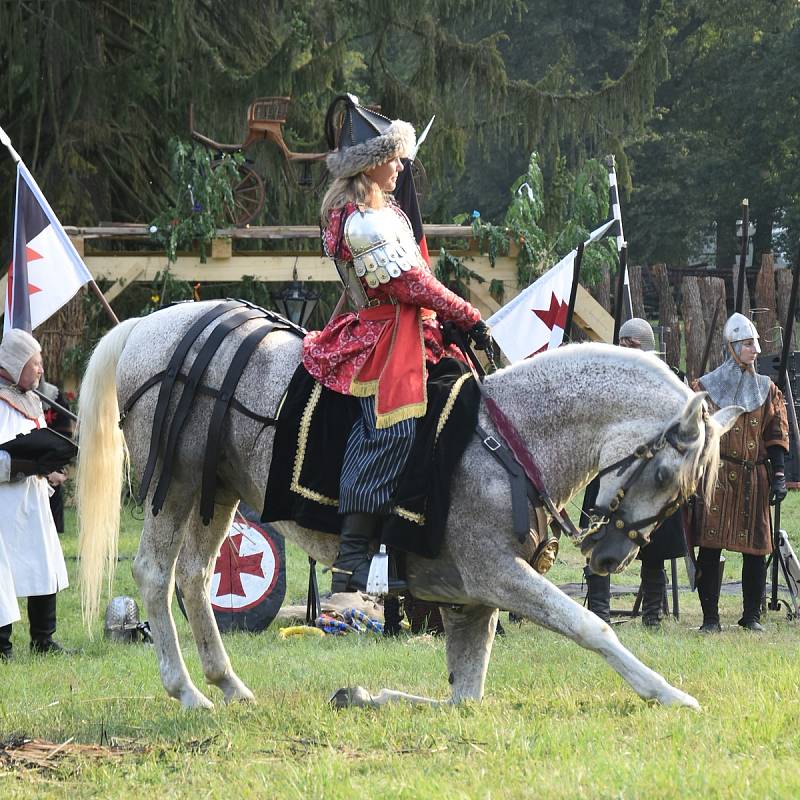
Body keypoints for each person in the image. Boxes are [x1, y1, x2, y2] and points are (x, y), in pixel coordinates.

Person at [303, 94, 491, 592]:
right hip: (384, 340)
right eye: (394, 159)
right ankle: (349, 573)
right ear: (370, 166)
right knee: (392, 432)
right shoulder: (363, 222)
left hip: (411, 329)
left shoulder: (384, 213)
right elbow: (412, 283)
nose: (402, 167)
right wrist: (468, 314)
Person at [582, 318, 687, 627]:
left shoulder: (670, 380)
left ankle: (652, 615)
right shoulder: (608, 381)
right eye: (622, 342)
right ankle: (599, 611)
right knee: (599, 536)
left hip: (652, 473)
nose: (624, 348)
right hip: (612, 467)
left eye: (631, 343)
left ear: (644, 345)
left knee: (652, 544)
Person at [691, 312, 788, 632]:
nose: (756, 350)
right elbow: (693, 436)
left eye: (756, 343)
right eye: (748, 344)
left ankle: (751, 616)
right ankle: (710, 619)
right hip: (715, 477)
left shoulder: (767, 389)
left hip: (753, 477)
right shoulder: (705, 387)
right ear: (732, 347)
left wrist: (778, 475)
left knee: (757, 549)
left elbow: (775, 434)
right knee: (710, 545)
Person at [0, 329, 70, 658]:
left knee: (44, 565)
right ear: (16, 363)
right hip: (5, 506)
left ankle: (44, 639)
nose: (41, 370)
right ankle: (1, 646)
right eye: (36, 363)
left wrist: (50, 468)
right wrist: (26, 464)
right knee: (3, 575)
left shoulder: (32, 399)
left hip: (34, 500)